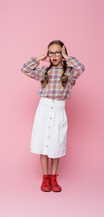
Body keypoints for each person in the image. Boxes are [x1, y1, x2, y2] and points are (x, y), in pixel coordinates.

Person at [21, 40, 85, 192]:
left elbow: (81, 68)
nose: (54, 55)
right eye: (51, 52)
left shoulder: (69, 72)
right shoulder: (44, 71)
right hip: (43, 110)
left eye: (57, 52)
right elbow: (25, 69)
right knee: (43, 145)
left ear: (63, 54)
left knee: (55, 146)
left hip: (58, 110)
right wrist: (39, 58)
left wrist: (66, 57)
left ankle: (54, 178)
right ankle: (45, 178)